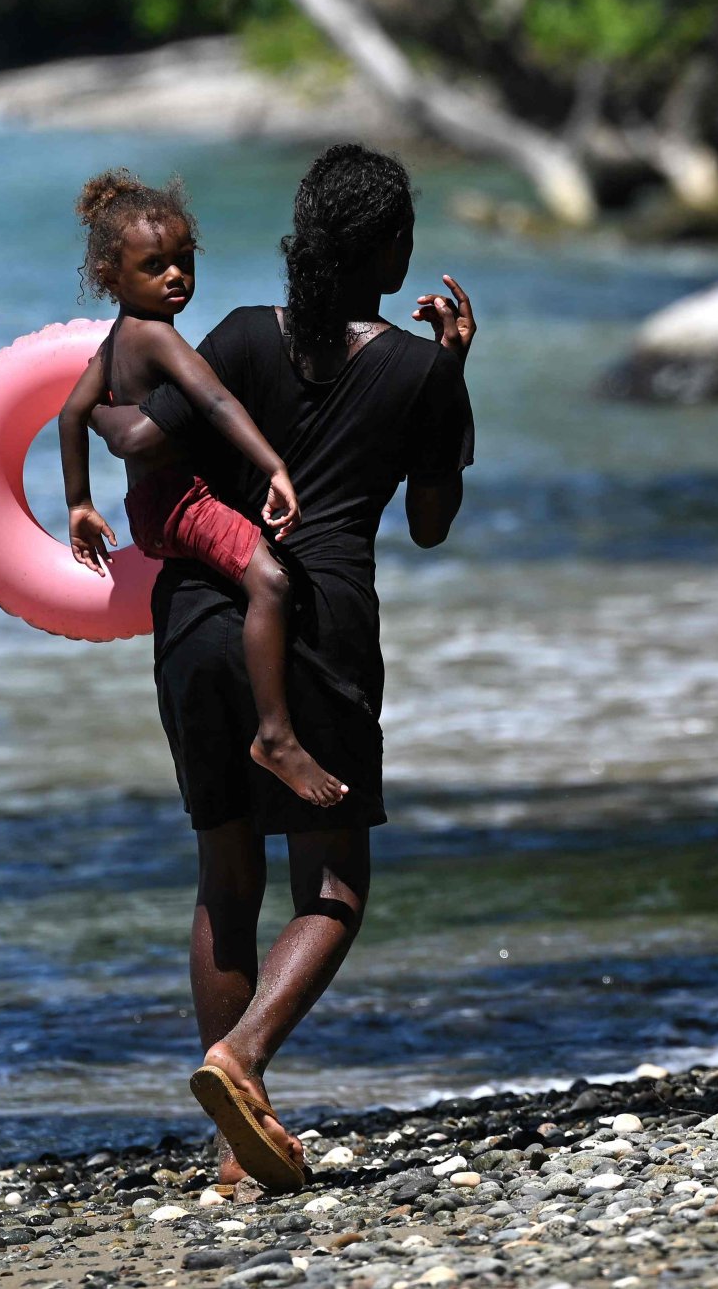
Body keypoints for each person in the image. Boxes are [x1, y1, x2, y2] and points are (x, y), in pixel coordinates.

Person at [89, 144, 474, 1194]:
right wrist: (455, 373)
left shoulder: (241, 335)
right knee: (335, 882)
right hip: (323, 625)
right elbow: (431, 524)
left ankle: (233, 1156)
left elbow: (148, 441)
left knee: (226, 876)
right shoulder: (421, 370)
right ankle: (243, 1057)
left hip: (199, 619)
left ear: (304, 241)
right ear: (391, 255)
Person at [55, 170, 341, 808]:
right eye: (154, 267)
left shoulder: (112, 342)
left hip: (148, 512)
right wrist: (273, 466)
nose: (175, 277)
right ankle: (275, 737)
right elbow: (214, 398)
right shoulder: (156, 336)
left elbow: (70, 414)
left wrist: (79, 503)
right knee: (271, 581)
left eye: (183, 262)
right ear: (111, 275)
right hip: (185, 506)